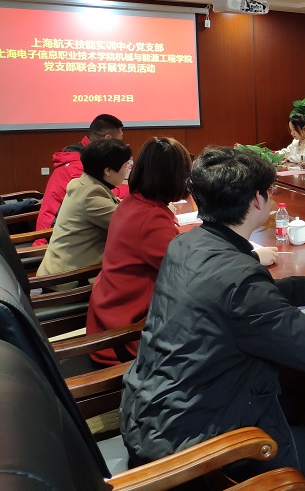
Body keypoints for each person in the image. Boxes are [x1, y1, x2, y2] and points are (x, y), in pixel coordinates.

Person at [120, 146, 305, 490]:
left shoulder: (188, 244)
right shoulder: (238, 278)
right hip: (191, 447)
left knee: (292, 402)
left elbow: (235, 300)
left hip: (154, 412)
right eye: (270, 191)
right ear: (256, 200)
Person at [85, 137, 194, 365]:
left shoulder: (133, 202)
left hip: (109, 318)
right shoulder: (151, 219)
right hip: (126, 338)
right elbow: (191, 273)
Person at [36, 139, 132, 277]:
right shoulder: (91, 195)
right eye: (125, 165)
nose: (127, 170)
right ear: (108, 171)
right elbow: (130, 226)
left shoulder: (81, 183)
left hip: (61, 267)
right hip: (70, 279)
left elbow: (115, 205)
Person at [35, 114, 127, 242]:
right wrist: (133, 188)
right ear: (108, 139)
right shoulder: (79, 165)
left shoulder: (80, 156)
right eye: (120, 141)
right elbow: (101, 195)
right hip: (51, 237)